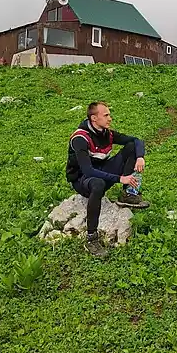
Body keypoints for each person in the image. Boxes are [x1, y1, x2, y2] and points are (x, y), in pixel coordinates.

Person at [66, 101, 149, 257]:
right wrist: (120, 178)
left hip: (102, 170)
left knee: (131, 146)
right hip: (83, 180)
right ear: (93, 118)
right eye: (106, 115)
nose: (110, 118)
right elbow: (88, 170)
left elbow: (137, 140)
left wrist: (140, 157)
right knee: (98, 184)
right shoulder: (80, 139)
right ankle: (91, 239)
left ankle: (128, 195)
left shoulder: (107, 133)